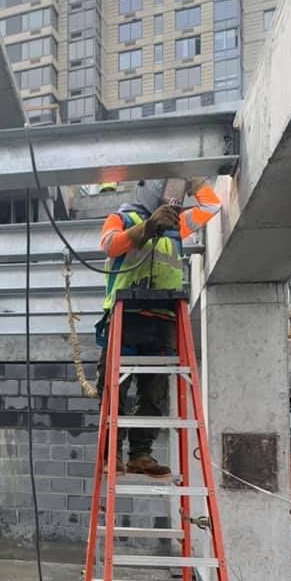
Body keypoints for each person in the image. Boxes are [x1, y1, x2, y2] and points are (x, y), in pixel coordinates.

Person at [96, 176, 221, 477]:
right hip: (127, 315)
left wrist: (193, 183)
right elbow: (110, 244)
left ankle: (141, 454)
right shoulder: (123, 216)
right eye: (168, 187)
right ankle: (110, 454)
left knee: (153, 392)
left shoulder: (175, 224)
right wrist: (147, 226)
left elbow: (211, 205)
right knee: (114, 389)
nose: (170, 195)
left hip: (164, 317)